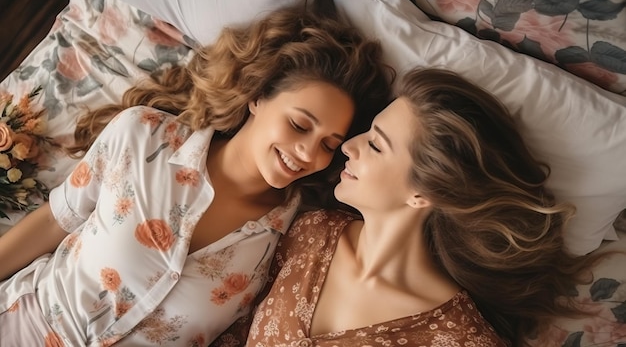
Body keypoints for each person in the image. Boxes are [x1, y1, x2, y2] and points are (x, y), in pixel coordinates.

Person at [0, 0, 393, 345]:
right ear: (257, 97)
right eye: (299, 125)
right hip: (26, 326)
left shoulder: (293, 236)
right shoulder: (144, 136)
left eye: (328, 144)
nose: (309, 153)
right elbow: (57, 220)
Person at [211, 67, 607, 347]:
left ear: (424, 192)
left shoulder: (459, 338)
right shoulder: (311, 232)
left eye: (376, 144)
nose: (348, 147)